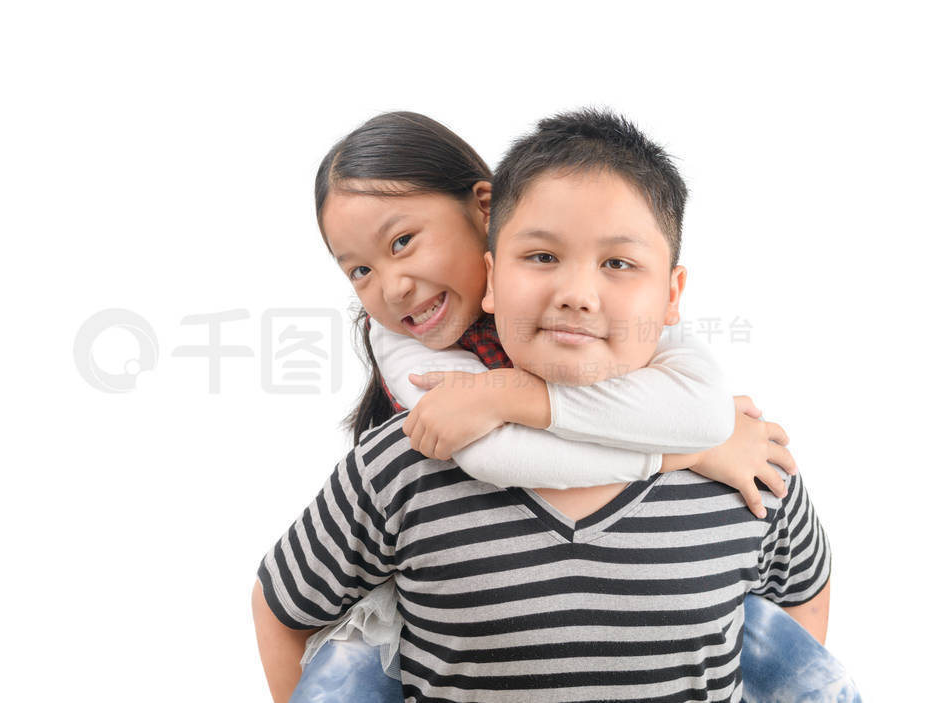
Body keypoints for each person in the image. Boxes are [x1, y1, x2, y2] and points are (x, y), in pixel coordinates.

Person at [254, 110, 859, 701]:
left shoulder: (742, 453)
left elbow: (798, 607)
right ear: (495, 272)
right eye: (542, 257)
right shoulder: (419, 435)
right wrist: (690, 449)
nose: (576, 295)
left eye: (618, 263)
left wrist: (705, 434)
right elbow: (282, 606)